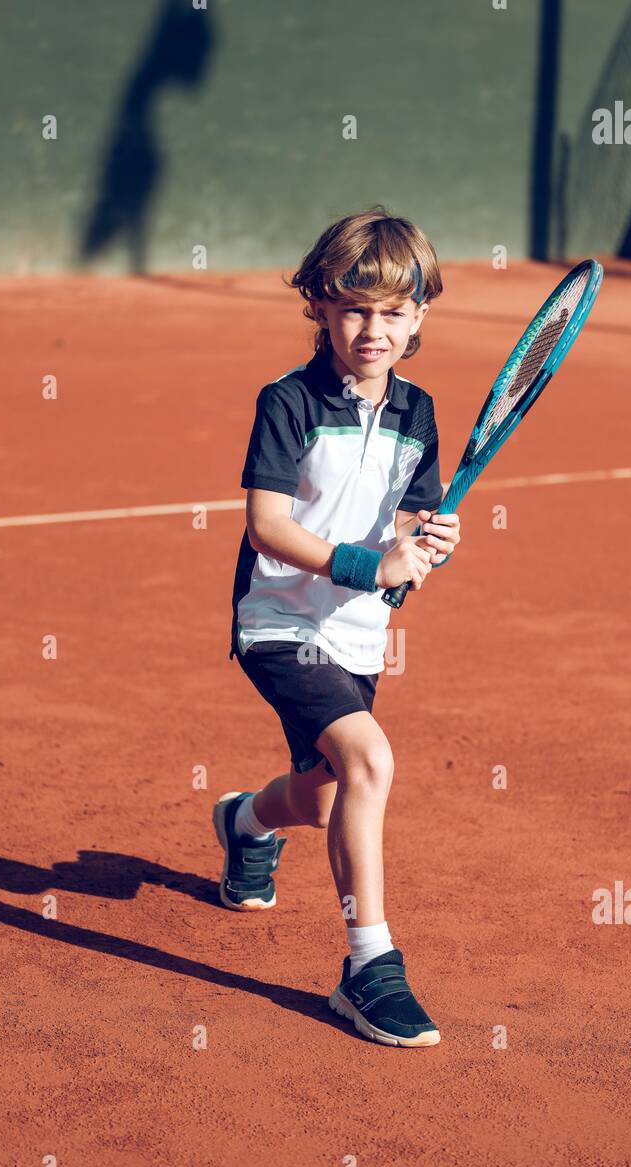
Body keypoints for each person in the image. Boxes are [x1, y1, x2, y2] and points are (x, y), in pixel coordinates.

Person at [215, 207, 460, 1047]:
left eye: (393, 312)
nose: (371, 329)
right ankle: (368, 967)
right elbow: (268, 528)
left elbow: (408, 527)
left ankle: (243, 823)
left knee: (320, 801)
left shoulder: (418, 413)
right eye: (354, 308)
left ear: (419, 315)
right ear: (319, 305)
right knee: (370, 760)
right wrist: (369, 566)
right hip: (278, 623)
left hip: (355, 635)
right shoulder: (285, 402)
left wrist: (426, 546)